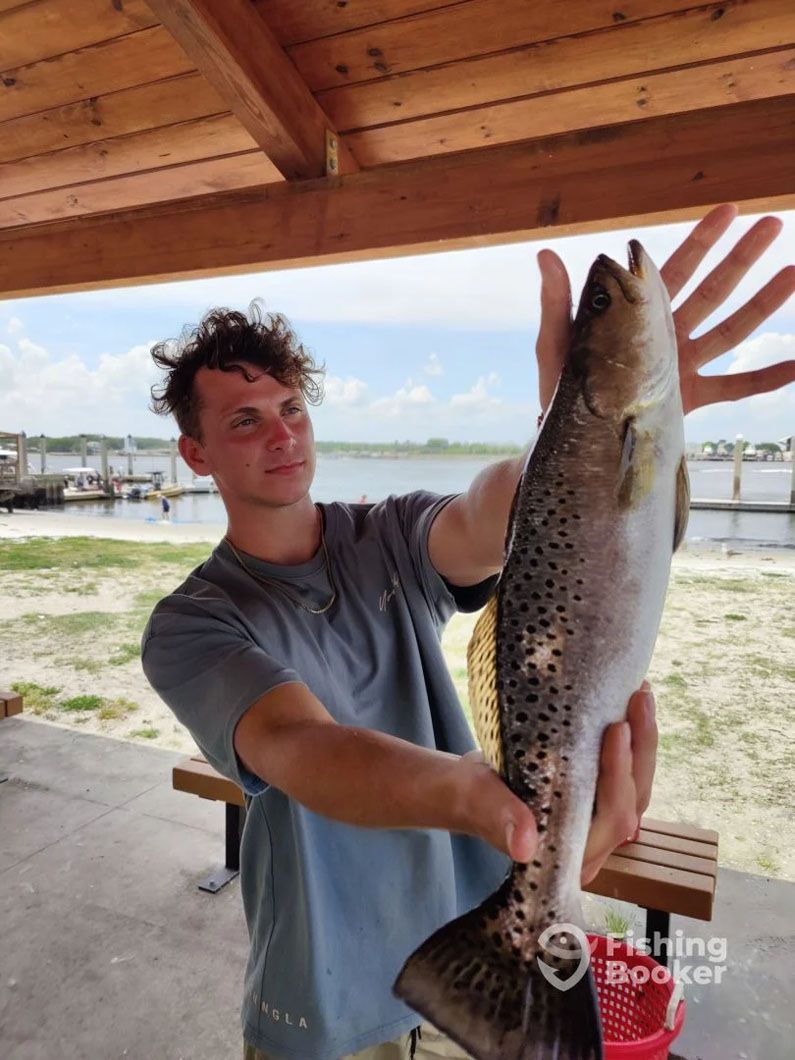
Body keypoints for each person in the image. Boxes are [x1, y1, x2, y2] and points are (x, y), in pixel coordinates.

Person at [141, 205, 794, 1060]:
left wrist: (588, 423)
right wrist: (479, 803)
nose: (282, 432)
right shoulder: (192, 623)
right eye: (243, 420)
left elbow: (495, 514)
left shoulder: (385, 535)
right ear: (195, 455)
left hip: (484, 933)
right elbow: (302, 747)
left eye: (291, 406)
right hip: (326, 997)